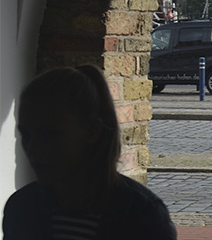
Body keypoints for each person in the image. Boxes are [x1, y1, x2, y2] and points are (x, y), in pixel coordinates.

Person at [4, 65, 177, 239]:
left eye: (50, 135)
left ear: (92, 131)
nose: (33, 149)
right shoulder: (22, 207)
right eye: (26, 135)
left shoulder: (143, 216)